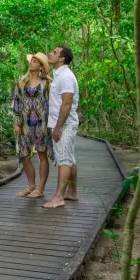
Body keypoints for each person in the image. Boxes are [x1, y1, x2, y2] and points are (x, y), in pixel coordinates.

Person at [42, 44, 80, 209]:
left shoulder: (65, 76)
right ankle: (71, 192)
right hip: (65, 124)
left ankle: (58, 197)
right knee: (70, 159)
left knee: (64, 160)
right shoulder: (60, 75)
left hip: (64, 125)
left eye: (54, 52)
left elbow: (67, 103)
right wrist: (48, 79)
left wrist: (58, 127)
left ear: (62, 58)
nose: (50, 54)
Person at [12, 52, 52, 198]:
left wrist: (52, 124)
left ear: (41, 66)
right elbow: (16, 103)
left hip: (42, 123)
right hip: (25, 124)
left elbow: (52, 104)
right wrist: (17, 123)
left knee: (42, 154)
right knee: (24, 155)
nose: (31, 63)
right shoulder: (21, 82)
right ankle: (31, 186)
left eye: (35, 61)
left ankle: (40, 189)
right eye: (31, 60)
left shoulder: (47, 83)